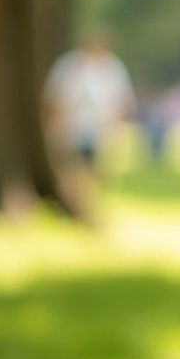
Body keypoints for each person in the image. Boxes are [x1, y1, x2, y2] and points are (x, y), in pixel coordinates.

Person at [42, 28, 136, 222]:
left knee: (95, 173)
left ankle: (91, 210)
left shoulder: (112, 69)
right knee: (73, 172)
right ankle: (78, 209)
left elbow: (122, 102)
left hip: (99, 132)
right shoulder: (68, 67)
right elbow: (55, 101)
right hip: (70, 131)